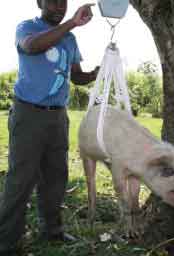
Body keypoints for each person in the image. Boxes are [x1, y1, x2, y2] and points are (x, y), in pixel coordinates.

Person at [0, 0, 99, 254]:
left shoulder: (70, 40)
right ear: (40, 2)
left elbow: (76, 76)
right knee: (21, 179)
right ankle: (7, 241)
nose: (60, 6)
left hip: (57, 117)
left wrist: (97, 73)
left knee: (56, 176)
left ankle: (52, 231)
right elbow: (32, 47)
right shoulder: (28, 27)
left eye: (64, 2)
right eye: (53, 1)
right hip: (29, 114)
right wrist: (71, 24)